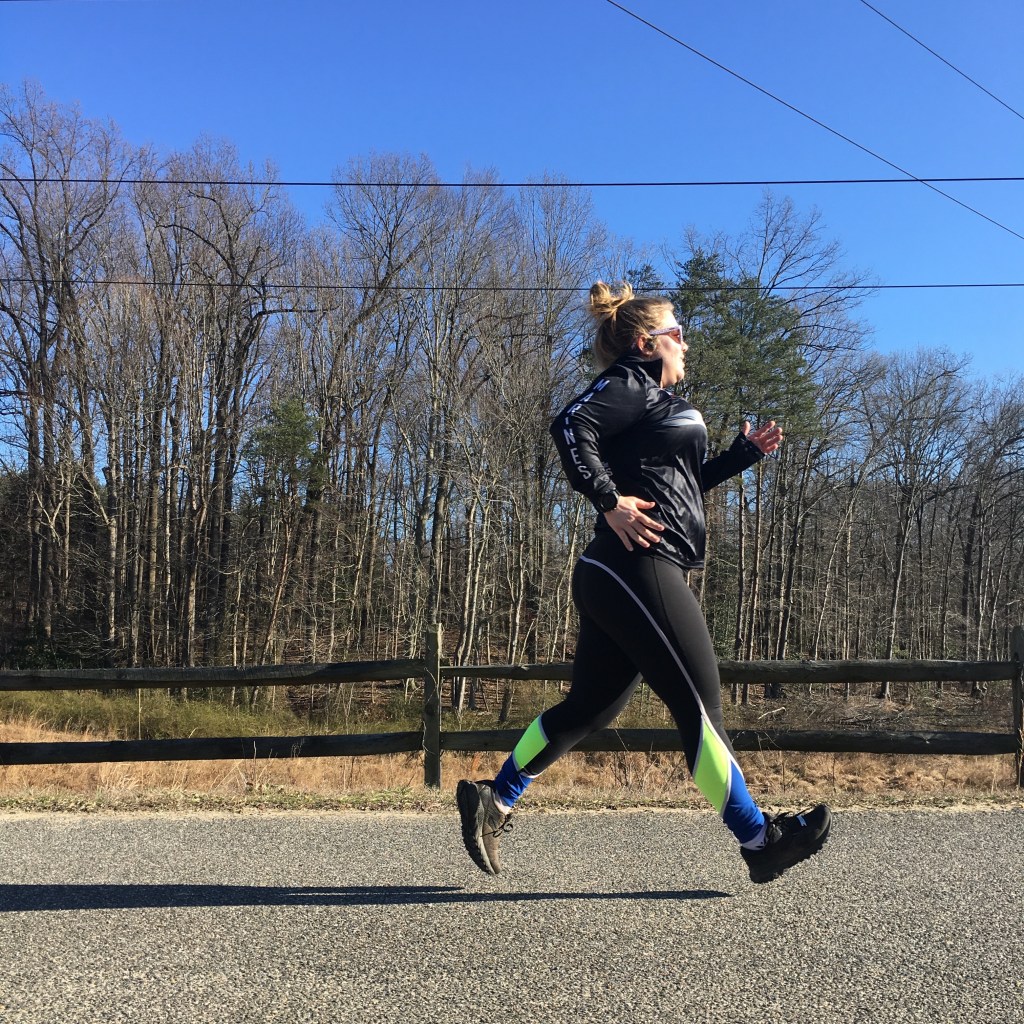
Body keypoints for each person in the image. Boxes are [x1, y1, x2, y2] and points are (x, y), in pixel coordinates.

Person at [456, 280, 831, 885]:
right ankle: (760, 839)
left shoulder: (653, 402)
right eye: (677, 332)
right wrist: (608, 500)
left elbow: (678, 486)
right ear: (645, 342)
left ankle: (492, 801)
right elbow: (569, 424)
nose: (686, 342)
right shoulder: (631, 381)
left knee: (588, 710)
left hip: (621, 573)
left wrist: (740, 456)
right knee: (701, 709)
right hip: (637, 566)